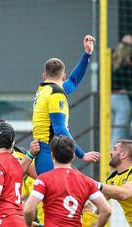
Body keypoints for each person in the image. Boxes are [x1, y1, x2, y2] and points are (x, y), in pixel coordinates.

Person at [32, 34, 100, 175]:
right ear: (63, 76)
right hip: (50, 153)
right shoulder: (56, 94)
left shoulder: (44, 90)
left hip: (44, 154)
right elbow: (60, 129)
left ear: (44, 76)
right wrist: (82, 154)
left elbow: (74, 81)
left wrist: (87, 54)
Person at [23, 136, 111, 227]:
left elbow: (28, 209)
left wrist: (29, 225)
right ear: (73, 156)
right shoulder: (86, 181)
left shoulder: (44, 179)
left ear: (52, 155)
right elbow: (106, 210)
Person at [111, 41, 132, 146]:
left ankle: (107, 159)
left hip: (110, 98)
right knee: (119, 135)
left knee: (111, 133)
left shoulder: (110, 65)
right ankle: (113, 160)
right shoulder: (127, 66)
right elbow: (131, 87)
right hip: (122, 99)